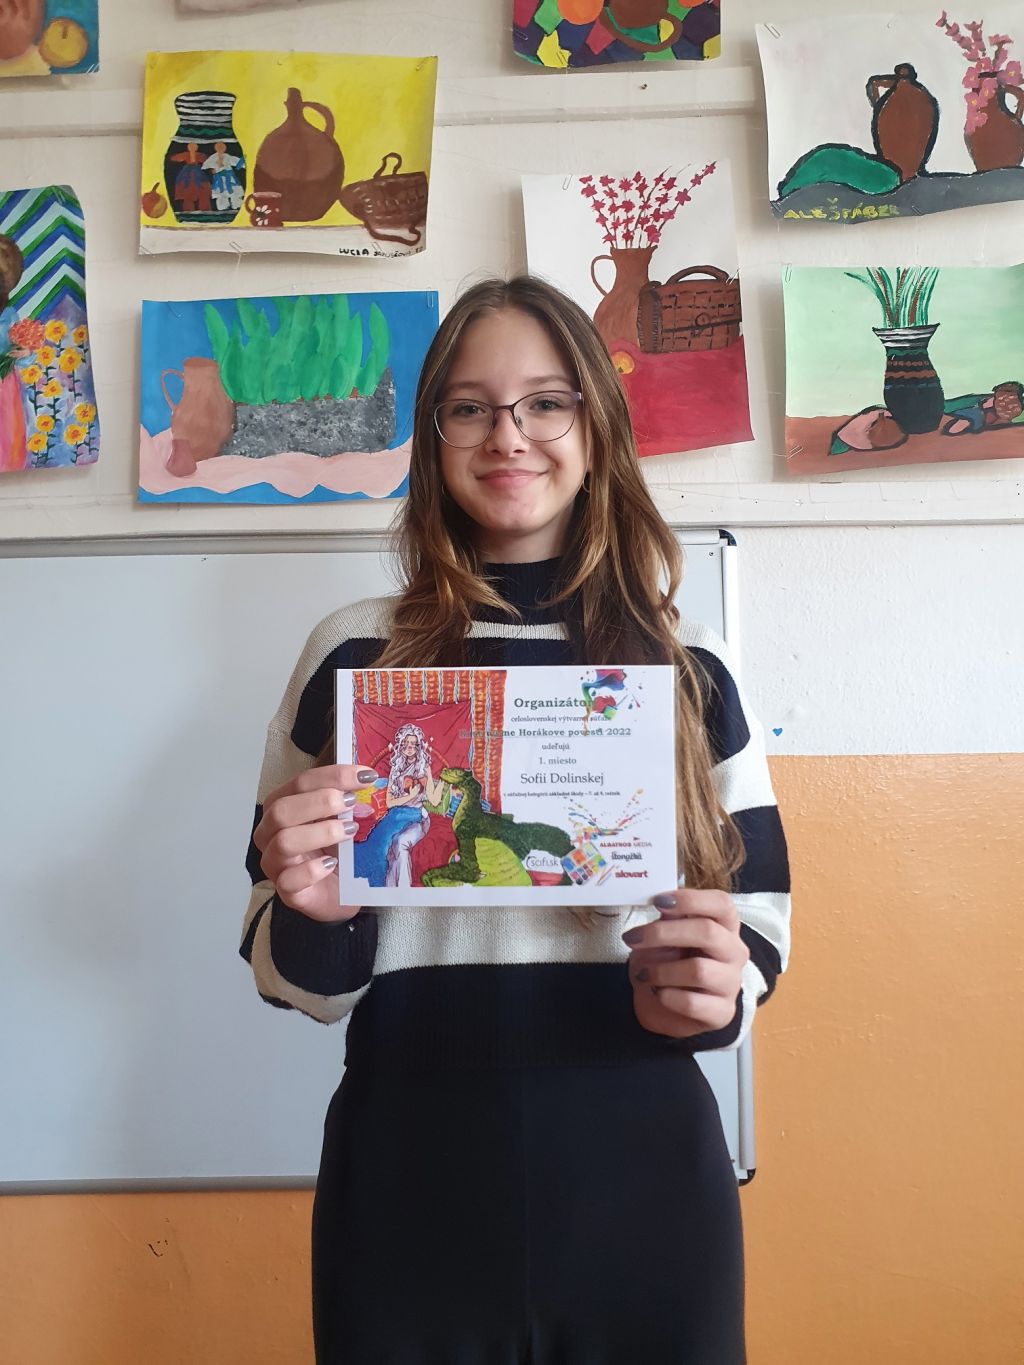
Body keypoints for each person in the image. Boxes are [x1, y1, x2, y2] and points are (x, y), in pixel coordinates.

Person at [242, 275, 791, 1363]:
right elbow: (290, 973)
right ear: (433, 433)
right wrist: (312, 911)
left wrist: (715, 988)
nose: (509, 435)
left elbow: (760, 927)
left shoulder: (688, 665)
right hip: (407, 1164)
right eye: (470, 407)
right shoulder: (354, 655)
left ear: (597, 425)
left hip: (641, 1163)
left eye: (546, 402)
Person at [353, 722, 447, 887]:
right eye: (406, 743)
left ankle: (403, 888)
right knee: (381, 844)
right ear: (401, 746)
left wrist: (441, 784)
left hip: (417, 818)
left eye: (413, 744)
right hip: (395, 815)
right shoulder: (396, 770)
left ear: (418, 747)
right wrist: (409, 796)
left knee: (400, 842)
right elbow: (390, 802)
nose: (409, 747)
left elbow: (433, 800)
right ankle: (388, 886)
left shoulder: (424, 769)